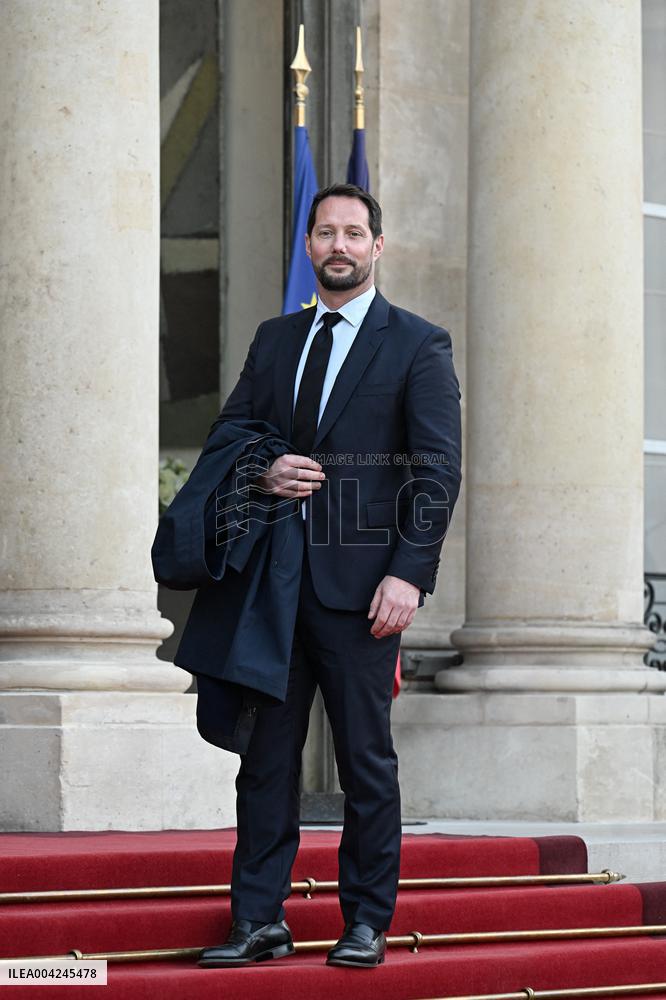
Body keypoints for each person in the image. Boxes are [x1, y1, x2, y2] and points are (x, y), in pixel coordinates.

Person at [198, 182, 462, 970]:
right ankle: (259, 921)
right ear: (308, 245)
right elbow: (229, 433)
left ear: (377, 246)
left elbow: (437, 470)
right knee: (265, 763)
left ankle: (366, 922)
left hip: (364, 594)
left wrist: (409, 576)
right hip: (272, 591)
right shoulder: (275, 339)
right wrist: (264, 467)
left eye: (353, 233)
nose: (338, 245)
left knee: (365, 764)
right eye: (325, 233)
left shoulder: (418, 343)